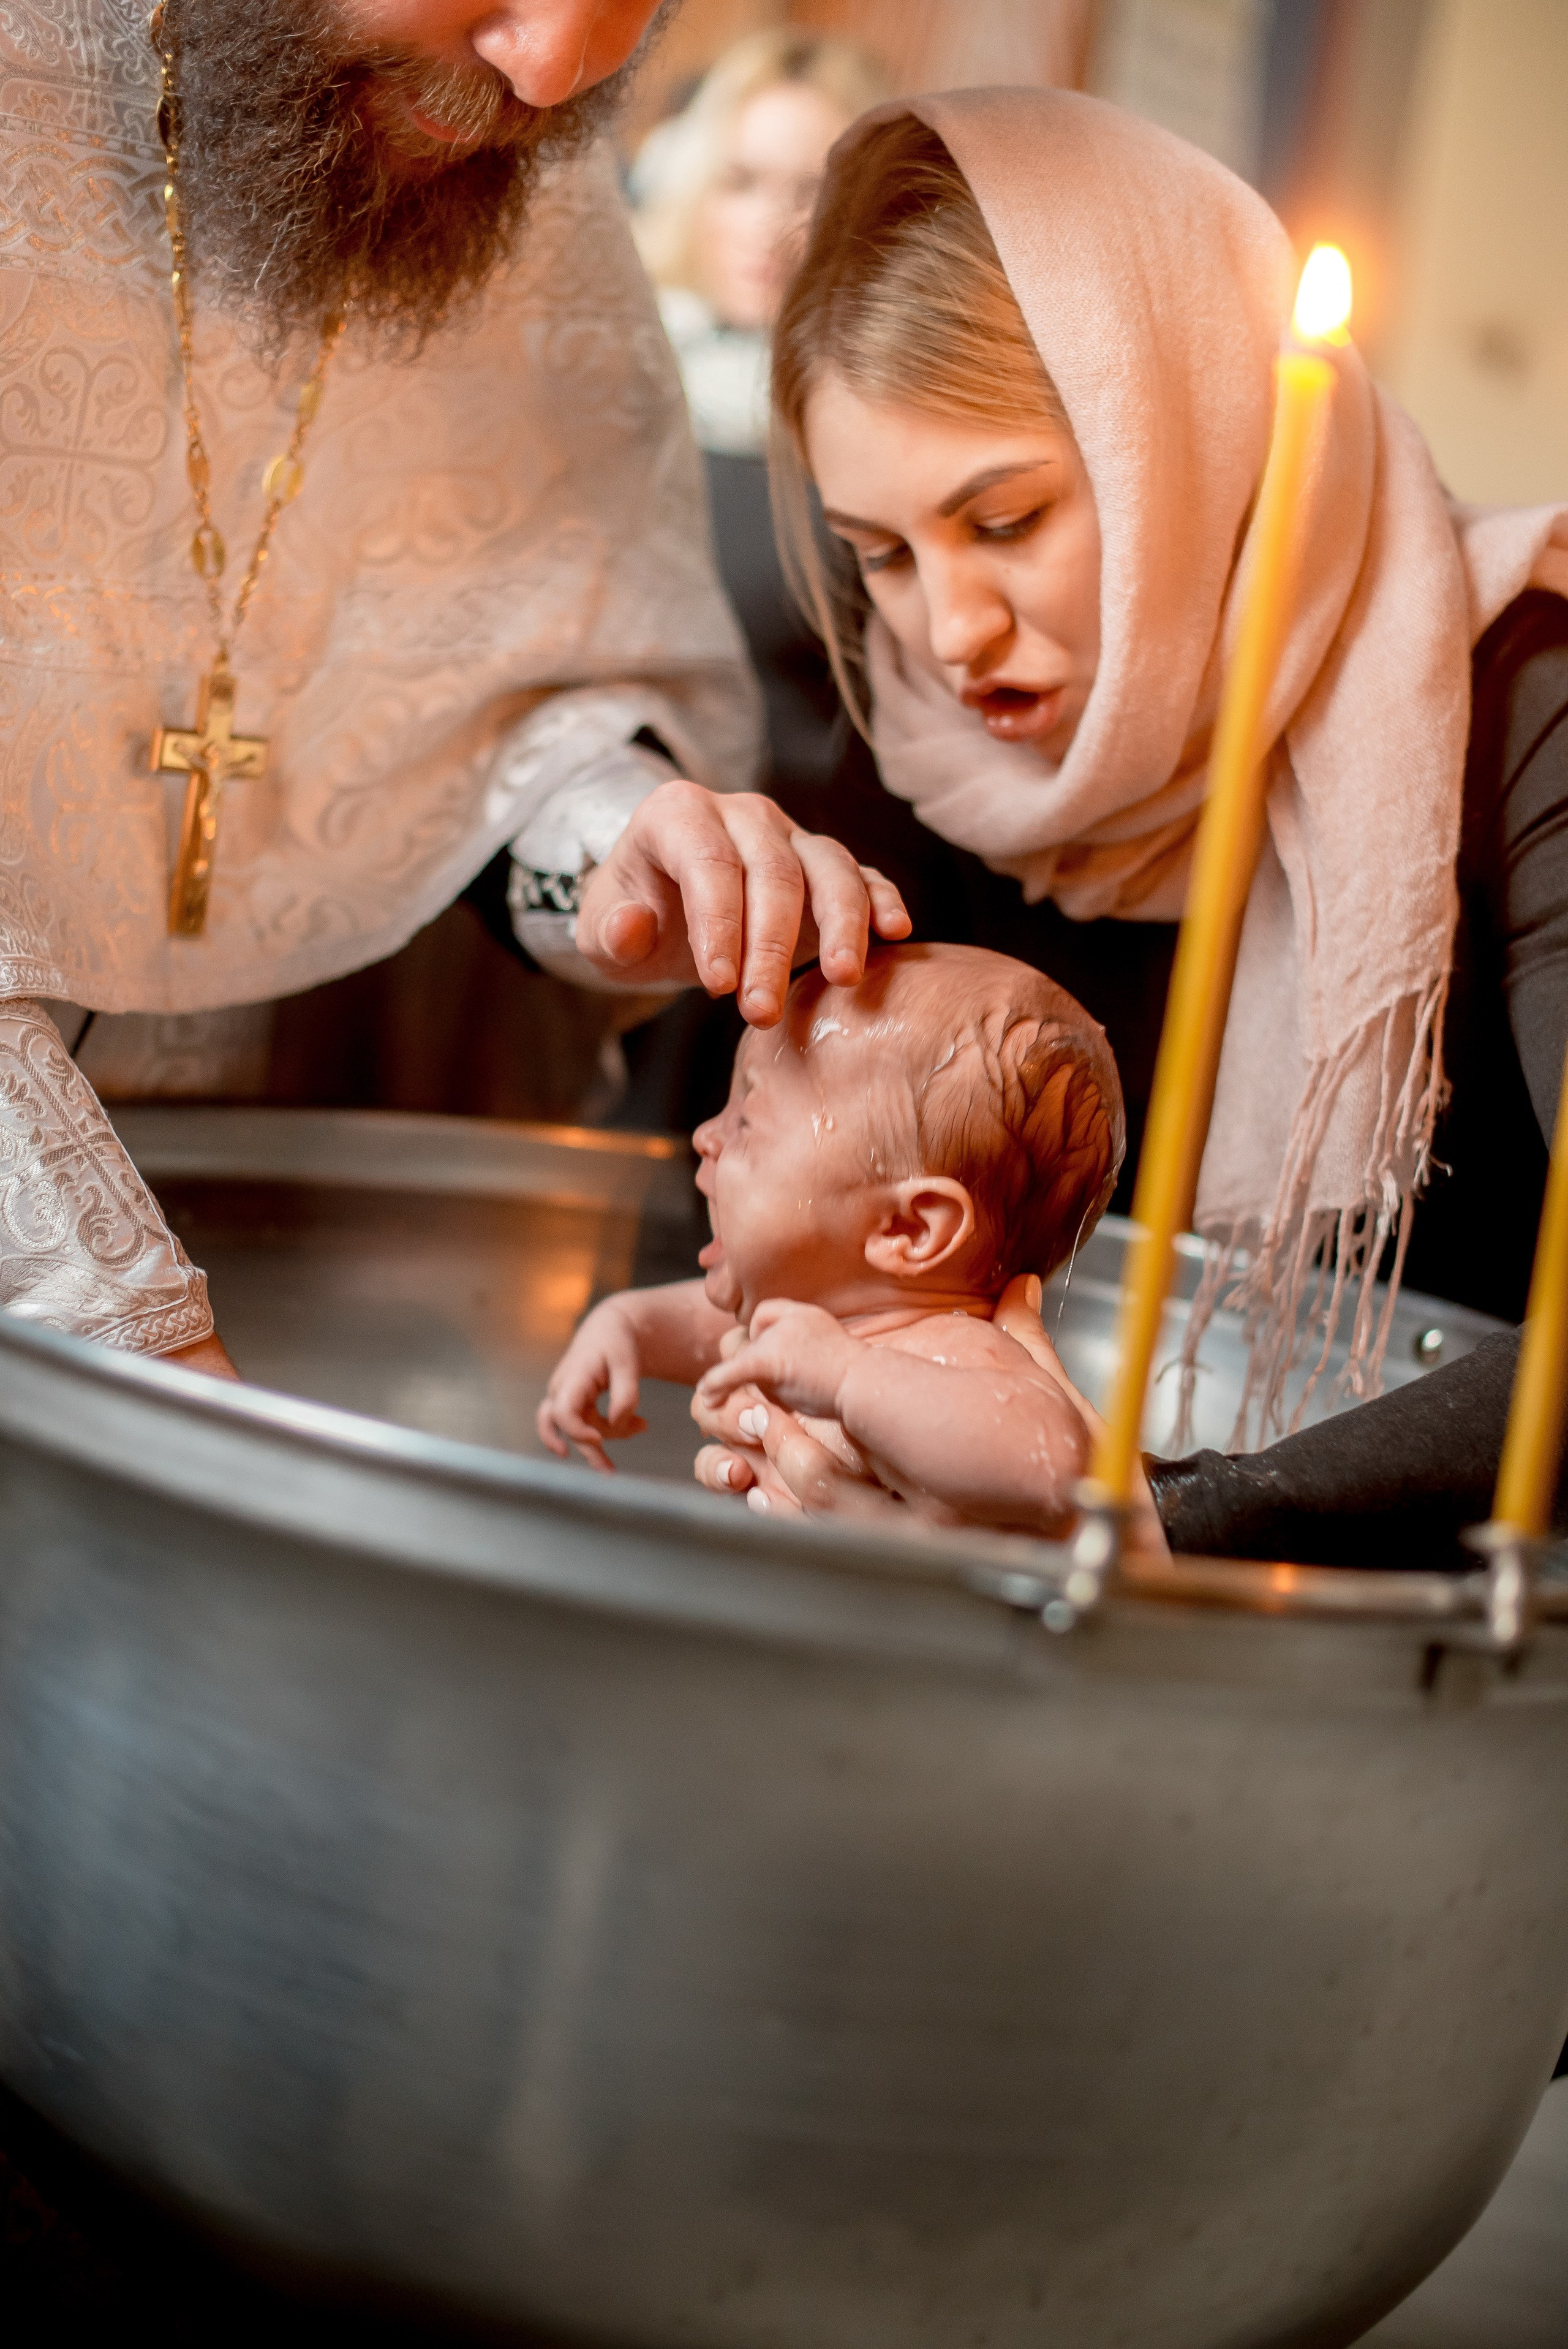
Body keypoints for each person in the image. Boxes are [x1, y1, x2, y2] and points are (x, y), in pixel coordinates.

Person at [695, 89, 1568, 1568]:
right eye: (882, 552)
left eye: (1006, 520)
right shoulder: (914, 734)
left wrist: (1170, 1530)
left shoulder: (1522, 703)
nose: (951, 633)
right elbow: (785, 1209)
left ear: (1195, 441)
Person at [0, 0, 910, 1380]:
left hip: (299, 1197)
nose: (550, 72)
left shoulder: (508, 159)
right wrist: (118, 1314)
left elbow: (495, 676)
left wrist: (611, 841)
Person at [538, 941, 1123, 1532]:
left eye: (746, 1120)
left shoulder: (955, 1352)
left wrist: (846, 1378)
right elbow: (711, 1328)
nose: (706, 1136)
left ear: (908, 1228)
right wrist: (628, 1326)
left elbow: (1051, 1464)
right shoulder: (826, 1322)